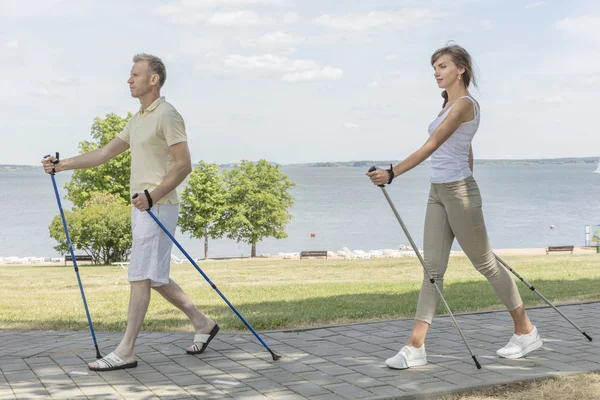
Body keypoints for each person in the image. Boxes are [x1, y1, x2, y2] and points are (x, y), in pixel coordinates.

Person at [367, 43, 542, 370]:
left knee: (486, 264)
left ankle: (526, 330)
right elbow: (466, 148)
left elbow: (433, 145)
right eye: (434, 67)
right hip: (439, 192)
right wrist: (461, 178)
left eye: (442, 66)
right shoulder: (447, 105)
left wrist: (392, 173)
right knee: (432, 271)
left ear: (460, 68)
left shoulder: (464, 104)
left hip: (459, 193)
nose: (436, 72)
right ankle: (415, 346)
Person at [42, 53, 219, 372]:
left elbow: (184, 165)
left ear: (154, 80)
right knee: (155, 277)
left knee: (140, 275)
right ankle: (203, 323)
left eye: (135, 74)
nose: (129, 79)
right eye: (129, 75)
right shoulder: (138, 118)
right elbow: (104, 154)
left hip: (158, 206)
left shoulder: (167, 115)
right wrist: (61, 164)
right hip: (144, 207)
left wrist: (153, 196)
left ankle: (126, 350)